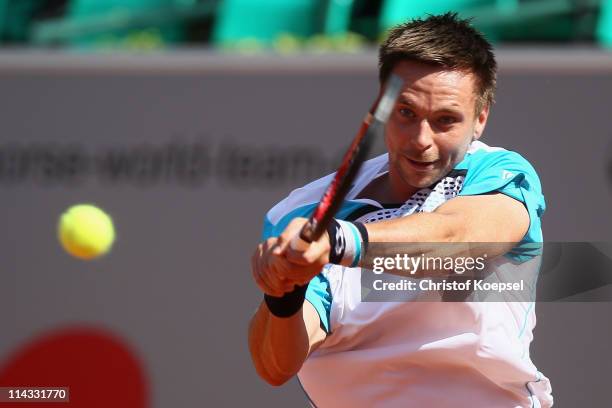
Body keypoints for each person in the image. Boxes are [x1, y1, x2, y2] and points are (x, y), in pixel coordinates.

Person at [248, 12, 553, 408]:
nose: (421, 140)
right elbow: (275, 367)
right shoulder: (302, 211)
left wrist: (341, 242)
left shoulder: (499, 173)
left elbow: (458, 238)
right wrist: (283, 293)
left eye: (445, 121)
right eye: (407, 114)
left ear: (480, 119)